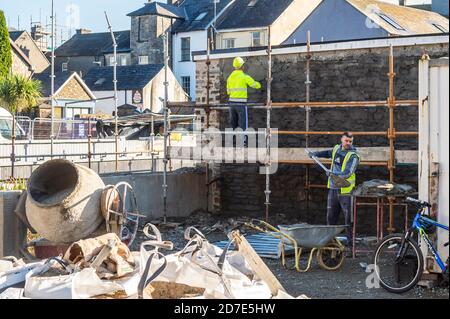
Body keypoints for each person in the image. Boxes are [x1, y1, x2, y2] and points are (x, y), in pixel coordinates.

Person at [309, 132, 360, 251]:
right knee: (331, 217)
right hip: (333, 188)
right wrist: (315, 154)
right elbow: (328, 153)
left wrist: (333, 173)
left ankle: (350, 245)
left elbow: (348, 172)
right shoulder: (336, 148)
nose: (348, 143)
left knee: (349, 218)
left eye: (350, 141)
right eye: (346, 140)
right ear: (341, 139)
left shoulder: (353, 156)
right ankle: (330, 243)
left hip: (346, 191)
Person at [226, 57, 261, 146]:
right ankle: (242, 143)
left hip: (231, 104)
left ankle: (232, 143)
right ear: (242, 66)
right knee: (242, 124)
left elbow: (228, 91)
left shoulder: (230, 78)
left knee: (233, 124)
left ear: (234, 66)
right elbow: (255, 85)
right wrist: (259, 84)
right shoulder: (244, 76)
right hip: (241, 104)